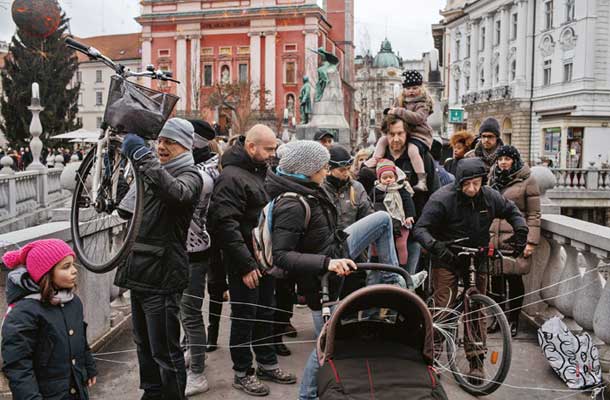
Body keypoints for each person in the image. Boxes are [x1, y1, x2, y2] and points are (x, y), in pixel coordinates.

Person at [266, 140, 427, 400]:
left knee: (382, 219)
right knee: (326, 346)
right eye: (322, 167)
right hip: (322, 279)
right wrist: (327, 263)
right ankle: (306, 396)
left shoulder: (309, 189)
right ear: (308, 169)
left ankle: (394, 280)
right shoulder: (292, 203)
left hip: (334, 252)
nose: (325, 171)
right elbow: (281, 256)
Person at [413, 158, 528, 381]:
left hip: (478, 255)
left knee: (476, 308)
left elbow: (511, 210)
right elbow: (421, 229)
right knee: (444, 304)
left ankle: (476, 360)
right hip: (447, 255)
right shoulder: (442, 199)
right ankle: (433, 355)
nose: (472, 189)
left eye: (476, 183)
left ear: (482, 181)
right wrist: (438, 248)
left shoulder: (489, 196)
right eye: (467, 184)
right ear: (459, 183)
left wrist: (521, 229)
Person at [116, 118, 203, 400]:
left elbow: (176, 194)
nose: (162, 147)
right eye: (160, 141)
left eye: (170, 142)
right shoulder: (154, 172)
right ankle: (152, 393)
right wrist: (119, 170)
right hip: (139, 270)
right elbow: (125, 211)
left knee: (165, 350)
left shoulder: (191, 176)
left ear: (185, 146)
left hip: (162, 275)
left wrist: (143, 157)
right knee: (142, 344)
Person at [209, 124, 296, 397]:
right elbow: (224, 224)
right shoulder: (232, 177)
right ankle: (242, 373)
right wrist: (246, 265)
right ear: (251, 147)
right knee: (245, 316)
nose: (273, 154)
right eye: (268, 149)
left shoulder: (260, 172)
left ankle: (267, 363)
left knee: (265, 312)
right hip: (244, 262)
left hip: (264, 258)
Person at [1, 239, 97, 399]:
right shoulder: (24, 312)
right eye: (66, 267)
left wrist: (89, 366)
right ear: (46, 273)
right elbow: (18, 366)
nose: (74, 271)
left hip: (76, 389)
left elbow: (81, 340)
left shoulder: (73, 302)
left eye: (73, 264)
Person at [179, 119, 220, 396]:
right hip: (187, 249)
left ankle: (197, 374)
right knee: (185, 311)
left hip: (195, 250)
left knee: (191, 314)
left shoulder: (203, 173)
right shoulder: (206, 165)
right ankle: (191, 354)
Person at [488, 145, 541, 337]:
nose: (503, 162)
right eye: (500, 159)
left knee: (514, 280)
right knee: (495, 280)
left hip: (515, 238)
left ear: (515, 160)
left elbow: (534, 214)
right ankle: (497, 319)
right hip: (493, 237)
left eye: (507, 159)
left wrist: (531, 242)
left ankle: (513, 320)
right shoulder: (492, 177)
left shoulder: (528, 180)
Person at [366, 70, 434, 192]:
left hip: (419, 135)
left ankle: (421, 179)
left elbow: (418, 118)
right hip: (407, 133)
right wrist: (390, 112)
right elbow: (392, 114)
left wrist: (398, 111)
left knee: (412, 150)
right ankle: (376, 159)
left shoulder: (423, 103)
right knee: (382, 140)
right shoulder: (401, 100)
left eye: (415, 87)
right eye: (408, 88)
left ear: (421, 88)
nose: (411, 91)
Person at [323, 144, 375, 297]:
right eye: (341, 170)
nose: (346, 173)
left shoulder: (357, 188)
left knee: (352, 300)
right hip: (328, 253)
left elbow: (368, 216)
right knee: (329, 300)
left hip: (354, 253)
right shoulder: (320, 188)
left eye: (348, 168)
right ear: (329, 168)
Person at [370, 159, 416, 270]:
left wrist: (410, 216)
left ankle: (402, 266)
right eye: (384, 178)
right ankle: (374, 263)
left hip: (401, 221)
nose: (388, 180)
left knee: (401, 244)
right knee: (374, 243)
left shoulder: (400, 189)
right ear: (379, 179)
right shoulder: (376, 190)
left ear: (395, 177)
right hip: (383, 221)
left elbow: (408, 202)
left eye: (391, 177)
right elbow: (370, 202)